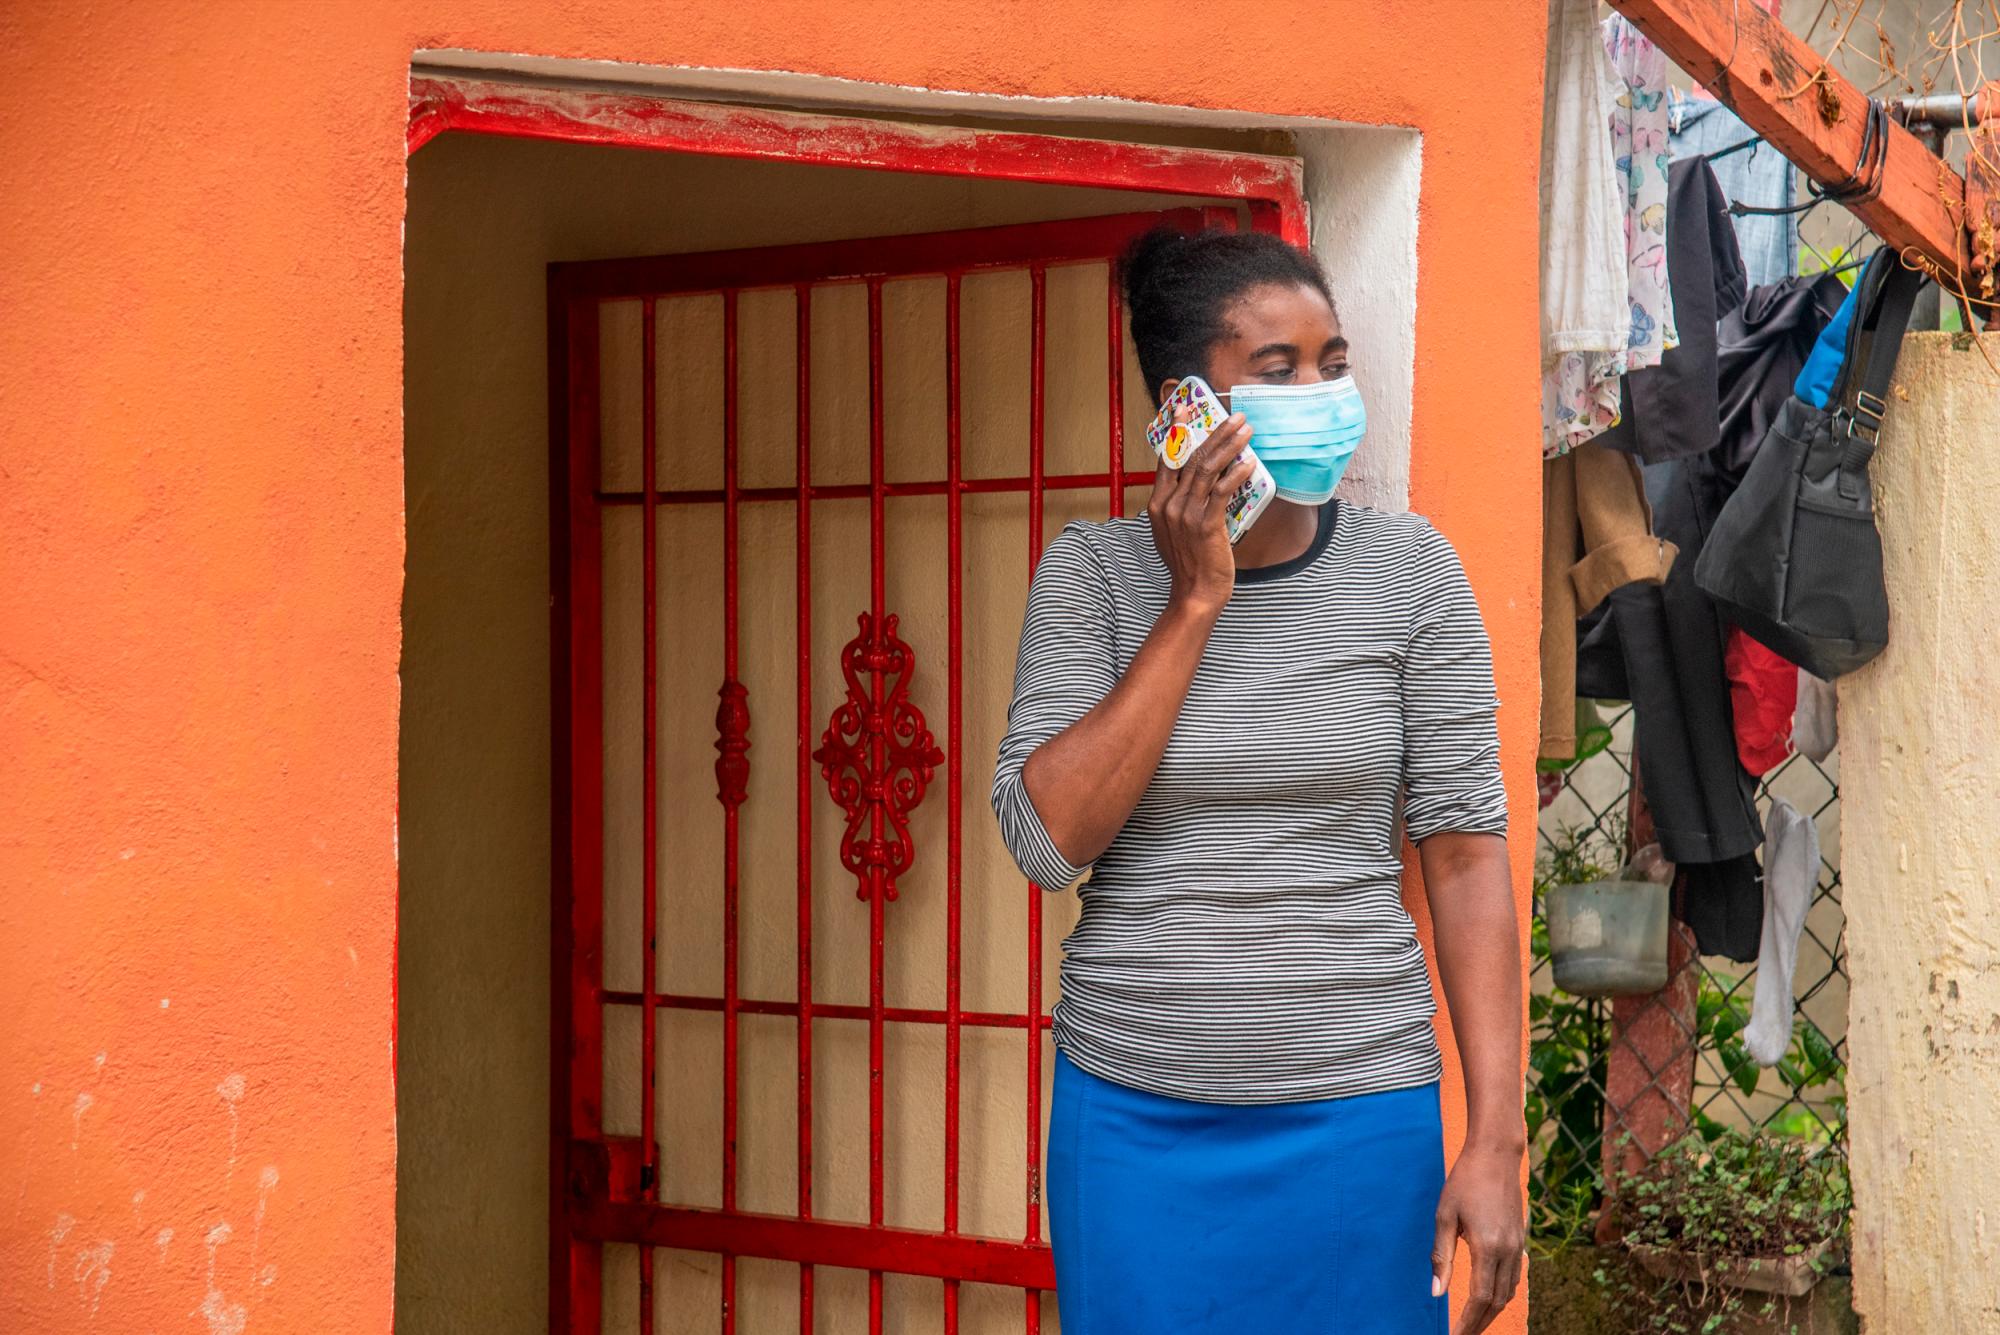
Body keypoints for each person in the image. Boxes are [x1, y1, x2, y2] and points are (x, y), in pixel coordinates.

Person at [991, 226, 1525, 1333]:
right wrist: (1193, 602)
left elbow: (1466, 856)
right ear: (1183, 408)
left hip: (1360, 1117)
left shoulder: (1411, 574)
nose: (1319, 393)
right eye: (1276, 371)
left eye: (1332, 363)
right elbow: (1046, 841)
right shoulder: (1092, 576)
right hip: (1134, 1125)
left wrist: (1493, 1139)